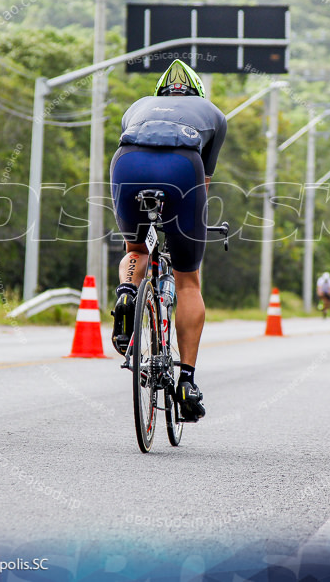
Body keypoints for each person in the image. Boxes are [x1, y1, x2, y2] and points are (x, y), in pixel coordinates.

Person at [109, 59, 227, 422]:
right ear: (197, 92)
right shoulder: (213, 114)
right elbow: (203, 185)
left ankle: (127, 294)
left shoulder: (137, 106)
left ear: (162, 92)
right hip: (182, 167)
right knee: (188, 280)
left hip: (127, 164)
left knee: (135, 248)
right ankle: (186, 382)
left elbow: (130, 140)